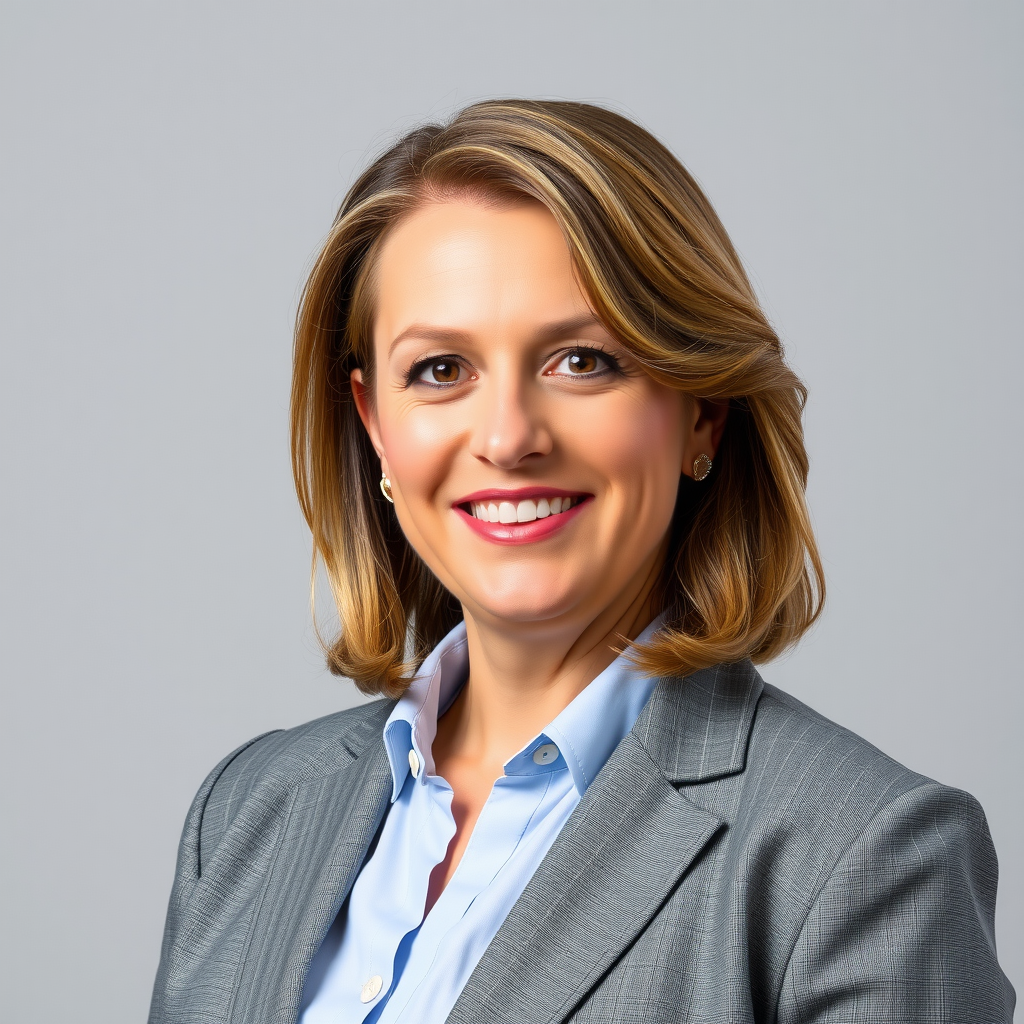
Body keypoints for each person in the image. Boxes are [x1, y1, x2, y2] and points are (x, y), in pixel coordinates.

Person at [148, 100, 1015, 1023]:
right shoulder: (247, 814)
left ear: (702, 413)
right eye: (441, 369)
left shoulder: (865, 856)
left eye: (582, 361)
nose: (510, 436)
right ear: (375, 429)